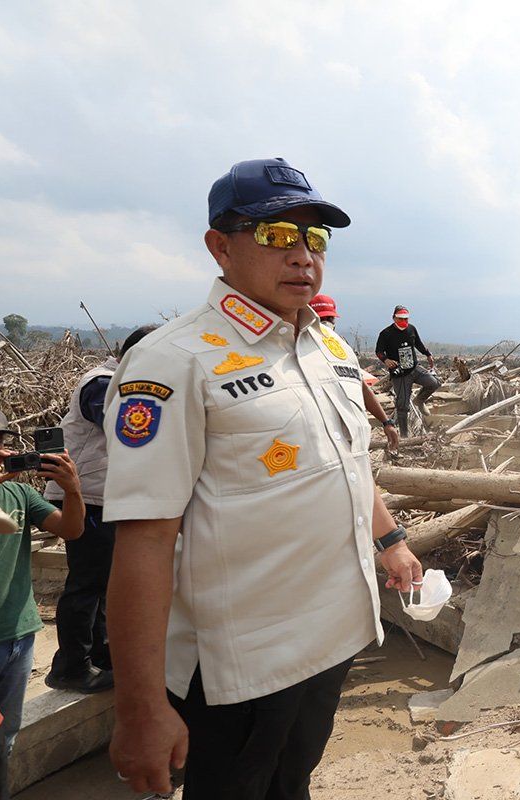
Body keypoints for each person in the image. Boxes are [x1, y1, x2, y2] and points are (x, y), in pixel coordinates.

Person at [103, 157, 423, 799]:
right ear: (220, 246)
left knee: (293, 783)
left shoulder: (328, 348)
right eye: (278, 236)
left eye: (316, 238)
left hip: (332, 637)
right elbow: (143, 539)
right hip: (243, 664)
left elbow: (349, 466)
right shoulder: (176, 360)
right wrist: (139, 708)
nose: (303, 256)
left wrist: (391, 541)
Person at [43, 325, 157, 694]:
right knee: (87, 582)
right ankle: (71, 667)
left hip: (103, 496)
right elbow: (125, 426)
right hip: (84, 496)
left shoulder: (123, 383)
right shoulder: (103, 382)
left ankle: (101, 657)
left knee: (106, 580)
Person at [0, 405, 84, 800]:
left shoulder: (21, 494)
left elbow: (71, 529)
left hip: (19, 636)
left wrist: (72, 489)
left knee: (3, 740)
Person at [310, 294, 400, 452]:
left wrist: (386, 422)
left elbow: (360, 385)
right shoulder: (298, 352)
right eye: (322, 319)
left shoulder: (341, 348)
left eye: (329, 319)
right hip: (320, 439)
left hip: (352, 435)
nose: (326, 324)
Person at [374, 305, 440, 436]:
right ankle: (404, 435)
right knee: (403, 405)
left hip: (414, 367)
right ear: (394, 318)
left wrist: (428, 354)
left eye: (406, 319)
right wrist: (386, 360)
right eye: (400, 319)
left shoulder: (411, 329)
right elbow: (379, 351)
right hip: (400, 373)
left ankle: (420, 400)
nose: (404, 322)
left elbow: (418, 344)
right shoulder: (386, 333)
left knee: (434, 383)